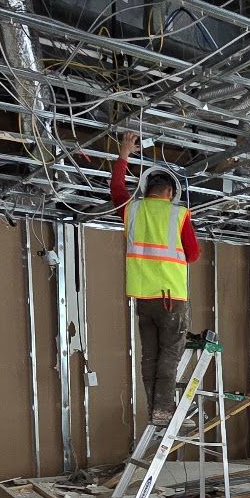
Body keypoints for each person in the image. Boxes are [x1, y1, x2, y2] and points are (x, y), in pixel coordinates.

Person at [111, 131, 201, 425]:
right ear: (171, 193)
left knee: (150, 355)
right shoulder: (179, 214)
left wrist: (124, 155)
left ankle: (155, 410)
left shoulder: (132, 210)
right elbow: (194, 254)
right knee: (169, 355)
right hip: (170, 297)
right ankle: (164, 410)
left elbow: (116, 189)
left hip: (143, 298)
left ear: (146, 189)